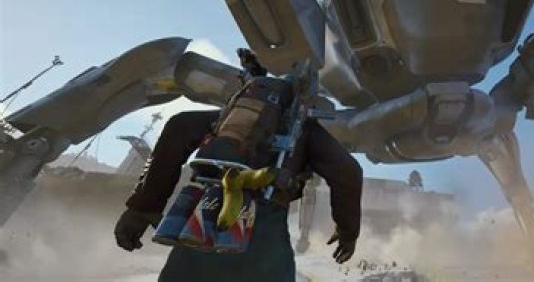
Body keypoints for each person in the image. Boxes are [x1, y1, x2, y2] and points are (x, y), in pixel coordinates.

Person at [114, 50, 363, 282]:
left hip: (205, 218)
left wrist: (142, 208)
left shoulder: (227, 121)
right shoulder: (306, 130)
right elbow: (349, 173)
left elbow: (178, 127)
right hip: (263, 230)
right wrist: (347, 232)